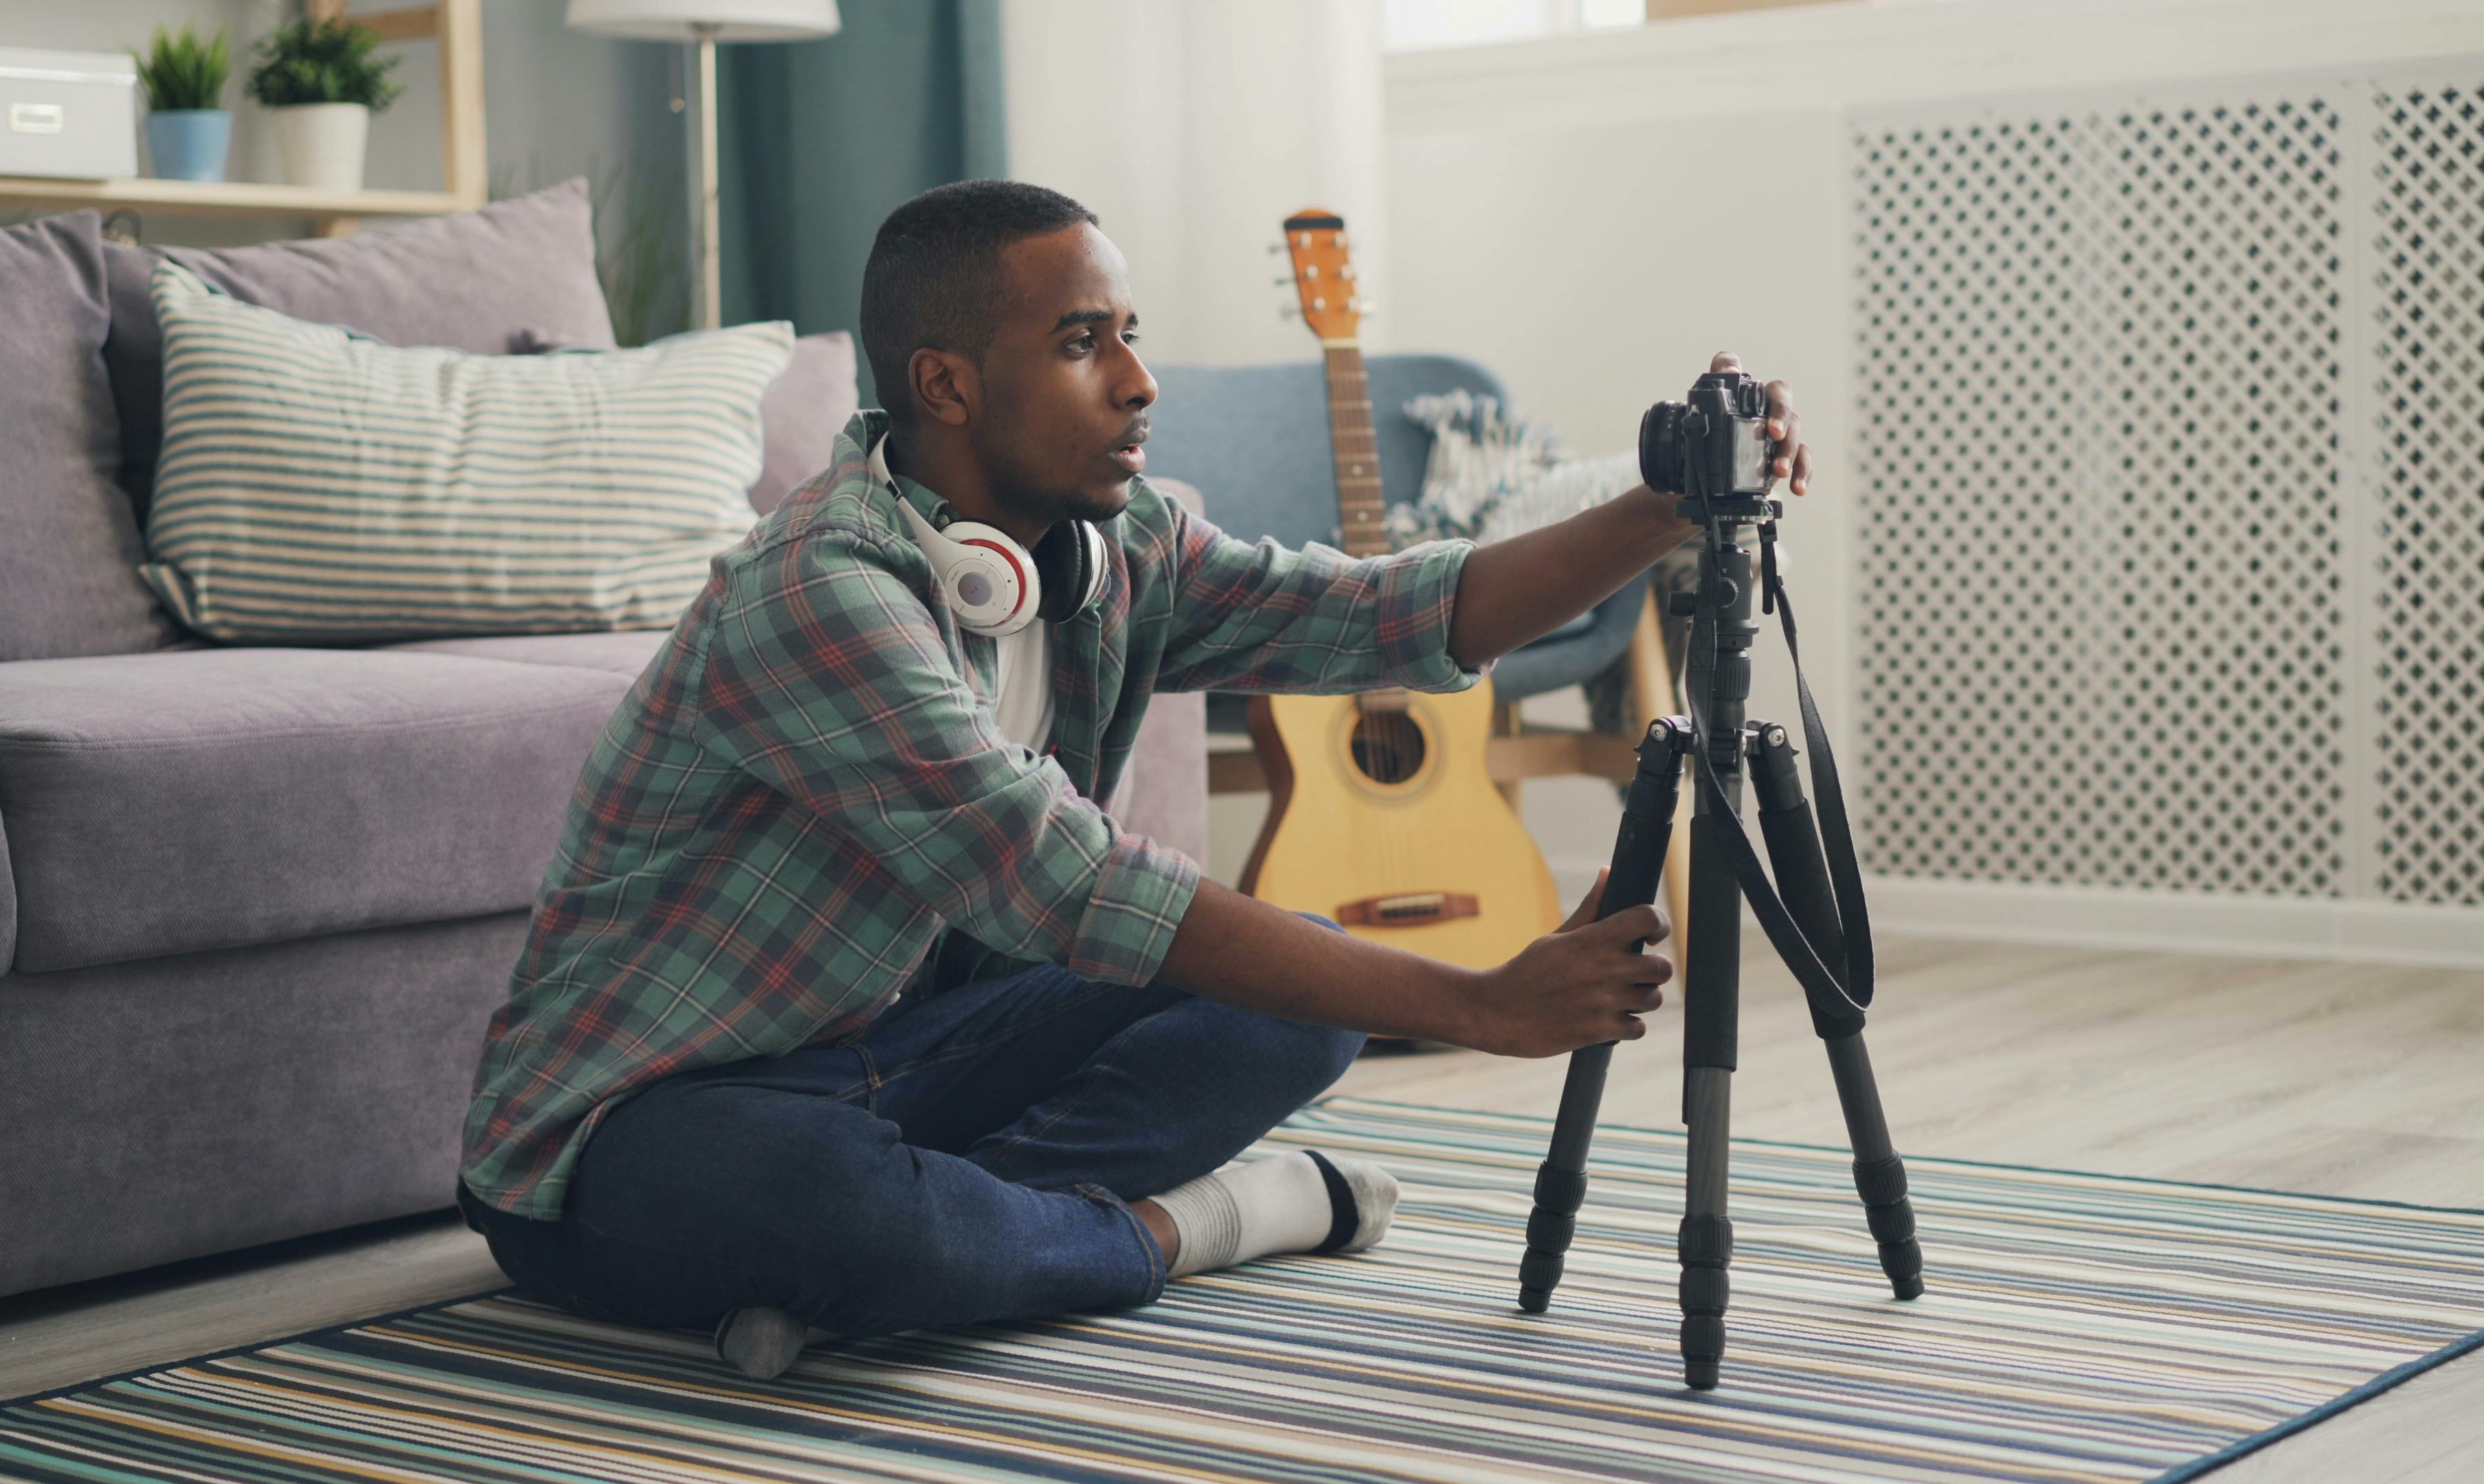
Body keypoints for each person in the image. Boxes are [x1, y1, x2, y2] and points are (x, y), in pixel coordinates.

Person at [452, 179, 1814, 1381]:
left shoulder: (1113, 547)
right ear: (945, 386)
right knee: (853, 1214)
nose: (1137, 380)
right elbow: (1067, 882)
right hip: (639, 1128)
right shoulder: (822, 593)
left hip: (906, 1066)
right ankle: (1199, 1222)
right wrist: (1477, 1004)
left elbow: (1385, 616)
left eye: (1130, 334)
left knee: (1302, 996)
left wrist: (1665, 509)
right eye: (1080, 342)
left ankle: (950, 1251)